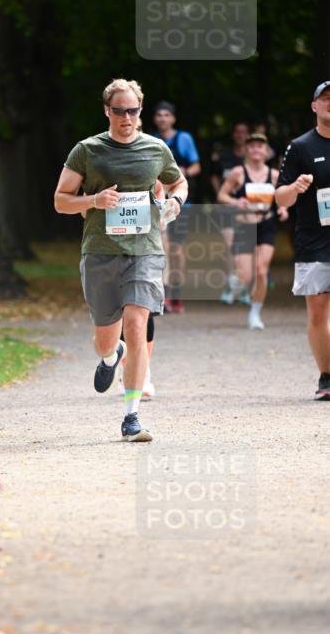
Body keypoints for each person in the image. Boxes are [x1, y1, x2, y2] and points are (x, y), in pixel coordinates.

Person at [54, 78, 187, 442]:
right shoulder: (87, 150)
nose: (126, 117)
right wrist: (93, 201)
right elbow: (61, 200)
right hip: (100, 252)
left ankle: (132, 416)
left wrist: (175, 202)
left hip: (144, 250)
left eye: (132, 110)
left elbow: (179, 182)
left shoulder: (156, 149)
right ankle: (111, 357)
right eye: (119, 110)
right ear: (107, 111)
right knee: (104, 339)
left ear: (140, 111)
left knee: (136, 321)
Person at [275, 81, 330, 400]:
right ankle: (326, 376)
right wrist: (294, 187)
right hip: (314, 240)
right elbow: (280, 199)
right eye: (325, 99)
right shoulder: (300, 147)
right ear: (314, 106)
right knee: (318, 311)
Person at [218, 133, 287, 330]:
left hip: (266, 225)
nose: (256, 149)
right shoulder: (238, 173)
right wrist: (236, 201)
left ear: (266, 151)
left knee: (261, 271)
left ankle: (255, 314)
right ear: (247, 150)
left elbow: (281, 198)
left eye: (260, 146)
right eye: (253, 146)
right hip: (244, 226)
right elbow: (222, 195)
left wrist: (282, 209)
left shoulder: (274, 175)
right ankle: (237, 281)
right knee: (246, 276)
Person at [152, 101, 201, 313]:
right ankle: (162, 295)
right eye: (159, 115)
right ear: (155, 119)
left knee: (177, 252)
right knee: (162, 248)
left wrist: (182, 174)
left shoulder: (184, 138)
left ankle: (176, 293)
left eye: (166, 115)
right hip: (158, 202)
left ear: (173, 118)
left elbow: (197, 166)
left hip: (180, 203)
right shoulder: (151, 140)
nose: (163, 118)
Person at [211, 121, 250, 304]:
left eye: (244, 132)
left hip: (247, 209)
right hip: (227, 207)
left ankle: (244, 289)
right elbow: (214, 175)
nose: (240, 135)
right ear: (234, 135)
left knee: (246, 250)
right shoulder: (224, 155)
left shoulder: (253, 156)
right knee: (230, 248)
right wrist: (221, 194)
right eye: (237, 132)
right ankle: (229, 285)